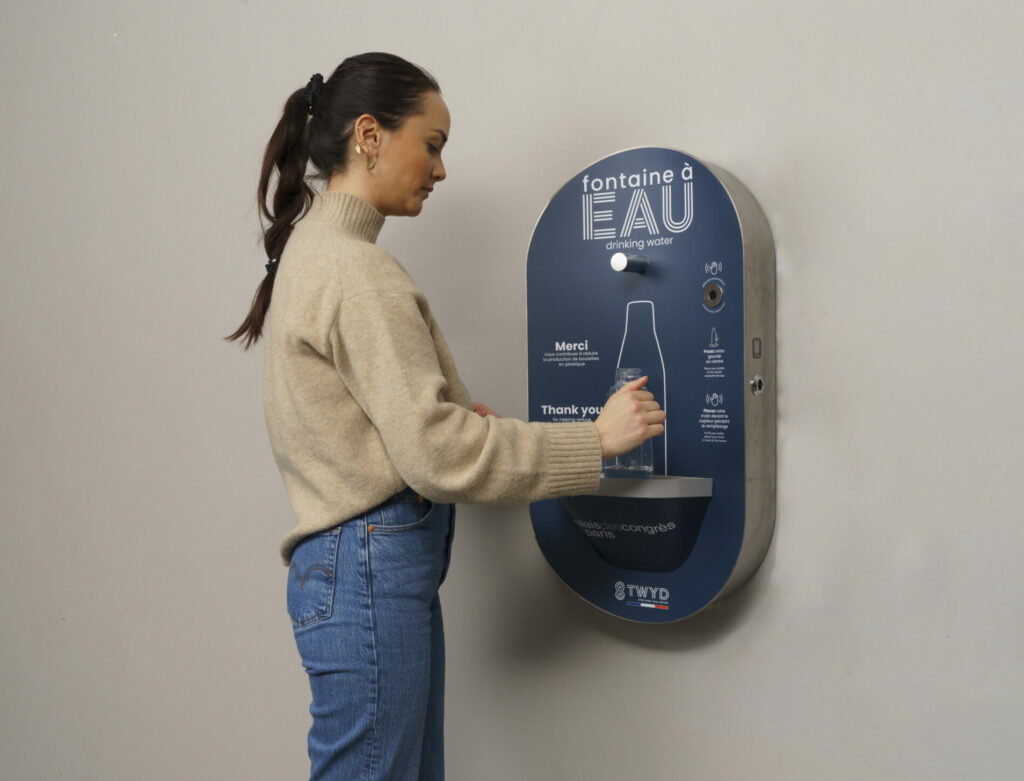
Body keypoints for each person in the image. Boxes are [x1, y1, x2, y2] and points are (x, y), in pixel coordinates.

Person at [226, 52, 665, 781]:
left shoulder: (316, 253)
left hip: (353, 566)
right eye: (431, 143)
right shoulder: (355, 270)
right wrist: (595, 440)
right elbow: (435, 454)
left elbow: (376, 423)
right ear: (369, 135)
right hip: (367, 566)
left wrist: (456, 421)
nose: (440, 168)